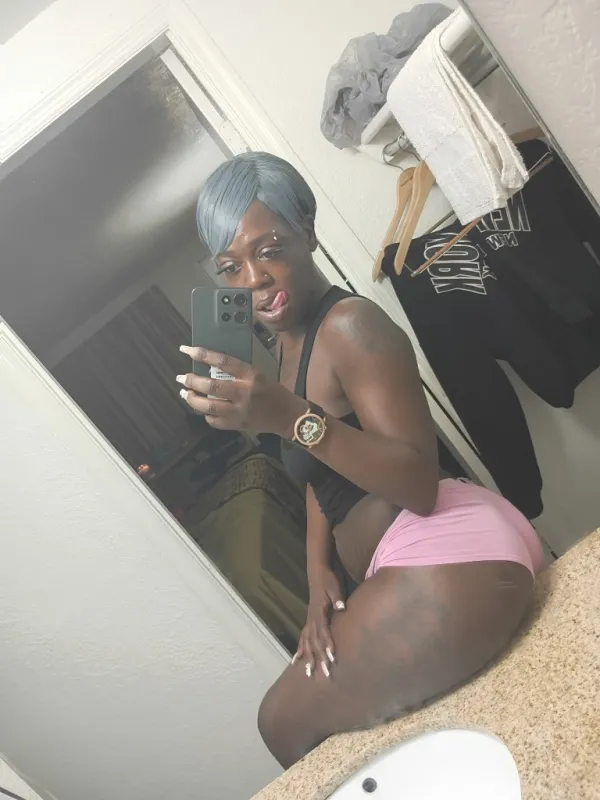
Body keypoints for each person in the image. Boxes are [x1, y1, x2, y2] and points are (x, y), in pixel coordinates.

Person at [177, 152, 544, 769]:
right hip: (424, 551)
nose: (254, 279)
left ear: (308, 232)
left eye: (269, 250)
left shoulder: (350, 325)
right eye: (231, 267)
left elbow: (417, 483)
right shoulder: (289, 347)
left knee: (281, 724)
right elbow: (322, 474)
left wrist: (288, 417)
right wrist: (317, 570)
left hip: (451, 550)